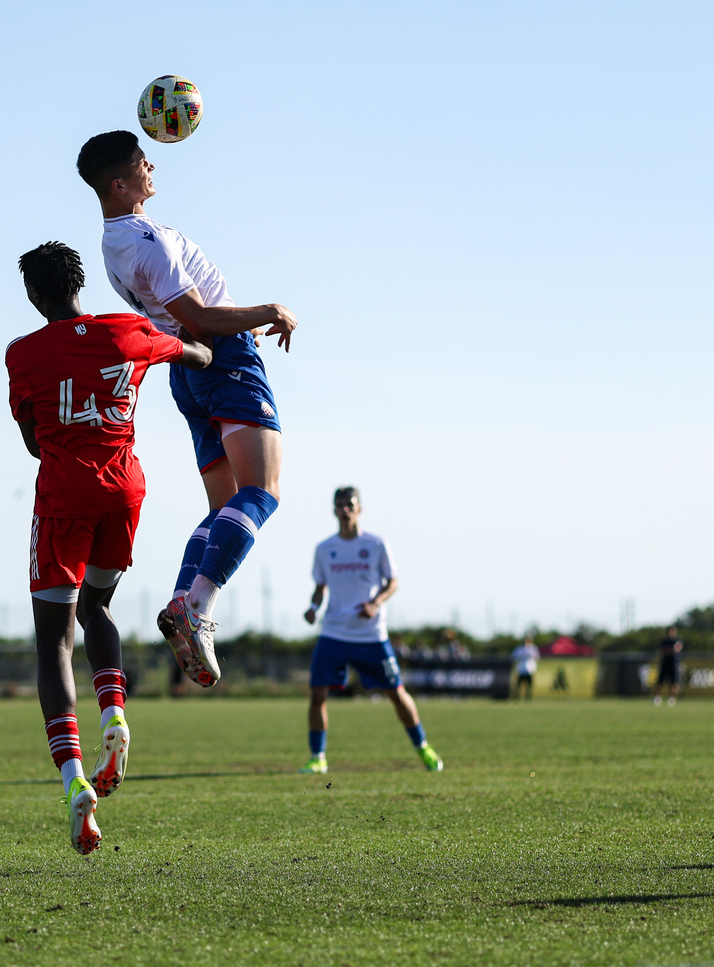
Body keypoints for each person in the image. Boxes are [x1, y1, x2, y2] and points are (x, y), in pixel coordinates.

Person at [6, 241, 211, 854]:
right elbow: (195, 352)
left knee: (54, 642)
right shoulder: (128, 331)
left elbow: (32, 443)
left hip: (63, 500)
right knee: (97, 609)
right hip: (123, 494)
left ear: (34, 295)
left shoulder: (23, 353)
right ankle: (115, 714)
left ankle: (74, 783)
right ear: (81, 283)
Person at [77, 130, 298, 688]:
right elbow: (200, 317)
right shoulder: (145, 237)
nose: (153, 164)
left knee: (223, 505)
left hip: (188, 370)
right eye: (141, 162)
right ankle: (196, 605)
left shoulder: (112, 242)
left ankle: (183, 598)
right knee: (262, 491)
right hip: (221, 357)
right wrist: (266, 311)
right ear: (120, 183)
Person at [299, 487, 442, 775]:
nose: (345, 510)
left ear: (359, 508)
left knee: (396, 693)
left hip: (370, 635)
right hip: (334, 633)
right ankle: (318, 757)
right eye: (339, 505)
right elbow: (320, 588)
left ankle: (423, 747)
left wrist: (376, 603)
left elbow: (393, 582)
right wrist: (313, 608)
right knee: (317, 694)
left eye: (350, 504)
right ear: (334, 510)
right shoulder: (324, 549)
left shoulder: (376, 544)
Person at [653, 626, 683, 706]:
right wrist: (669, 650)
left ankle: (672, 698)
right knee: (660, 681)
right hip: (665, 663)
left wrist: (670, 650)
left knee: (674, 682)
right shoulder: (664, 641)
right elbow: (661, 649)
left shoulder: (677, 640)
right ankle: (657, 697)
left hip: (674, 664)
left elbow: (676, 649)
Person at [511, 635, 540, 700]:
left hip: (530, 669)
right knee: (519, 685)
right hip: (521, 669)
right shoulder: (519, 649)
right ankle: (517, 697)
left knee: (529, 685)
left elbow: (537, 657)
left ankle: (528, 697)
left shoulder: (533, 648)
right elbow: (513, 657)